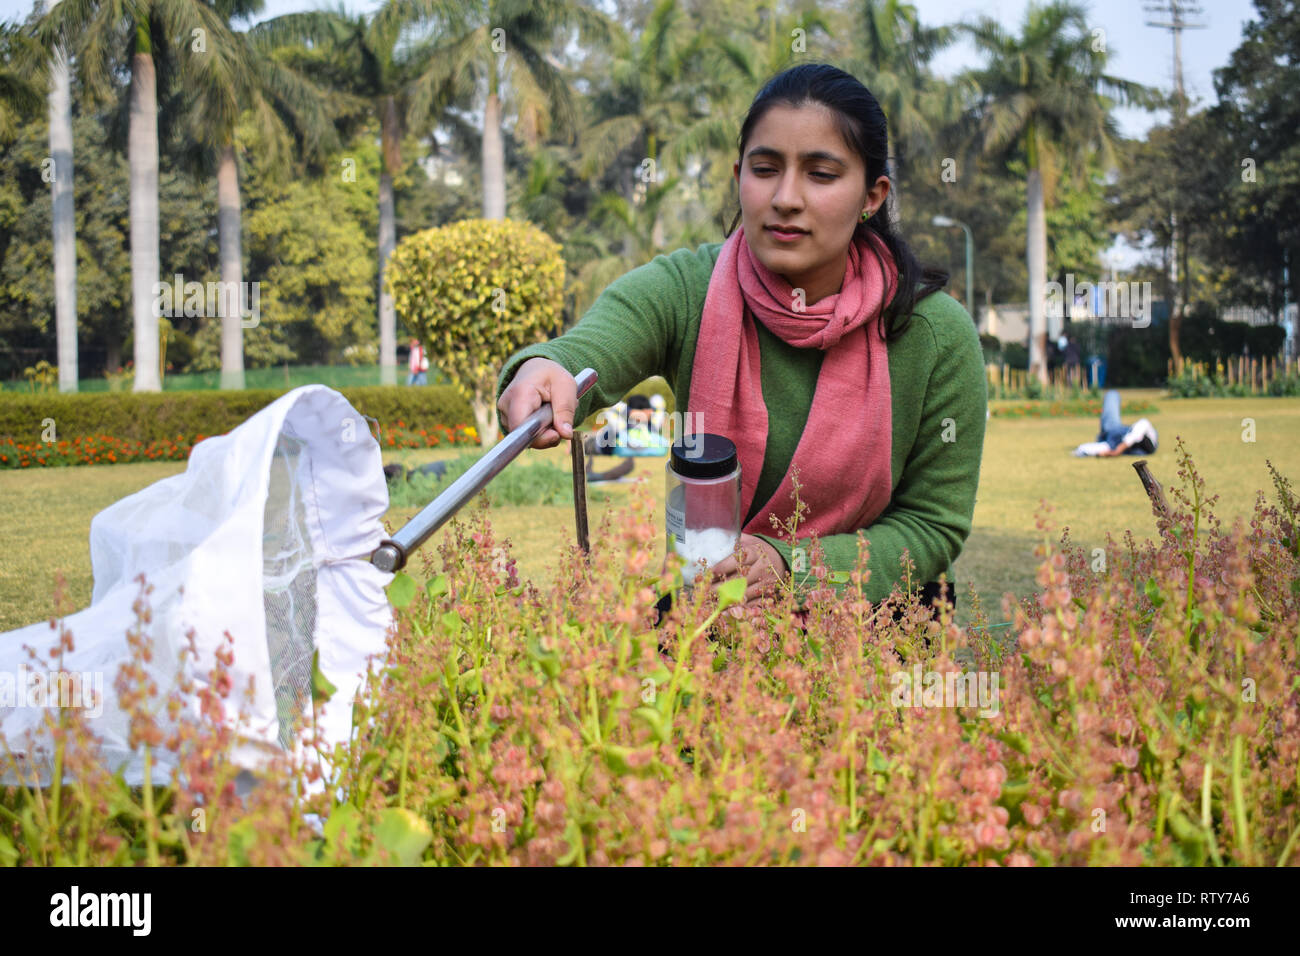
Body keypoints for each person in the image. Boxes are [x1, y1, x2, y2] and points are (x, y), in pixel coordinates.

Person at [496, 63, 986, 614]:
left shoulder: (934, 331)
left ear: (873, 196)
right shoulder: (687, 289)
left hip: (874, 621)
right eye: (765, 168)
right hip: (708, 613)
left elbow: (933, 524)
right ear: (738, 177)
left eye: (821, 174)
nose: (785, 197)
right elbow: (592, 348)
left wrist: (788, 566)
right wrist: (545, 369)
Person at [1072, 390, 1158, 457]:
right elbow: (1140, 428)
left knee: (1112, 394)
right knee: (1112, 394)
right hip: (1114, 429)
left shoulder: (1140, 452)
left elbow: (1086, 449)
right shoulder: (1150, 436)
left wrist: (1107, 453)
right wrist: (1118, 450)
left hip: (1110, 438)